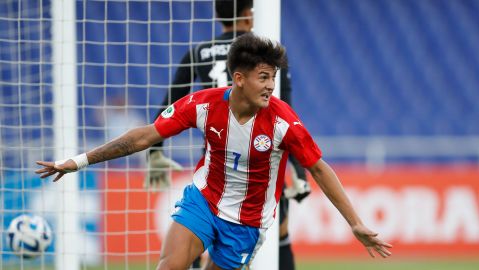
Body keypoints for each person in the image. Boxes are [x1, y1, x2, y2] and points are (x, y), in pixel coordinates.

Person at [36, 33, 392, 270]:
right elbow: (145, 136)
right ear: (239, 78)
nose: (271, 86)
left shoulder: (283, 122)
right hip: (204, 201)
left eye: (273, 78)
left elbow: (319, 168)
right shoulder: (203, 105)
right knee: (170, 266)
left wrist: (355, 223)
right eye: (264, 77)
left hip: (247, 224)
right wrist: (78, 162)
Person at [146, 1, 310, 268]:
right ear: (248, 14)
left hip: (216, 161)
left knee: (194, 240)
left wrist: (155, 153)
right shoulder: (265, 58)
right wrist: (299, 172)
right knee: (278, 236)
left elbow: (170, 106)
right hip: (262, 166)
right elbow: (287, 116)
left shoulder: (198, 52)